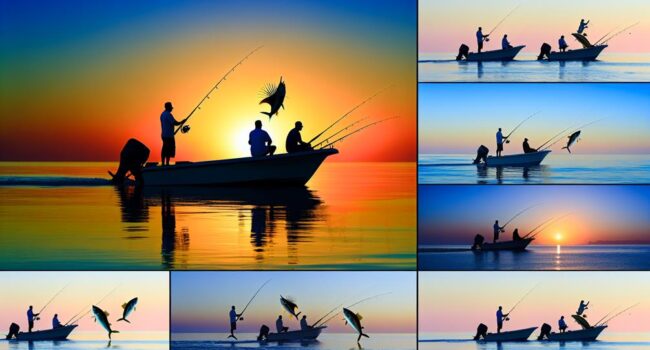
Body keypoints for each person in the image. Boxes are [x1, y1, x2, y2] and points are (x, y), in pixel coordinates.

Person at [160, 102, 188, 166]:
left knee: (165, 148)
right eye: (171, 107)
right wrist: (181, 122)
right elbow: (174, 123)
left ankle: (163, 163)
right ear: (168, 107)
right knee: (168, 149)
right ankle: (166, 164)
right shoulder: (168, 114)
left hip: (164, 135)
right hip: (169, 136)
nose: (172, 109)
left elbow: (168, 124)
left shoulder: (162, 114)